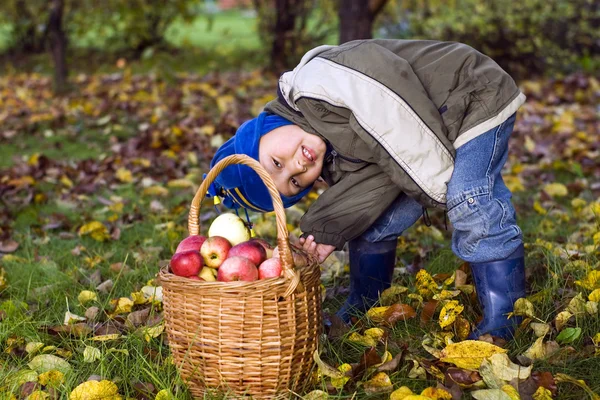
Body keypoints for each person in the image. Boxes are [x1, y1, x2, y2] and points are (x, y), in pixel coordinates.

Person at [205, 39, 527, 340]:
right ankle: (366, 303)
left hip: (471, 95)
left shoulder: (314, 83)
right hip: (438, 126)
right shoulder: (331, 157)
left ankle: (506, 318)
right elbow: (370, 188)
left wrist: (439, 183)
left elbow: (390, 108)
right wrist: (326, 230)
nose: (297, 167)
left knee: (468, 197)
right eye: (293, 183)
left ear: (267, 128)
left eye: (277, 162)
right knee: (374, 219)